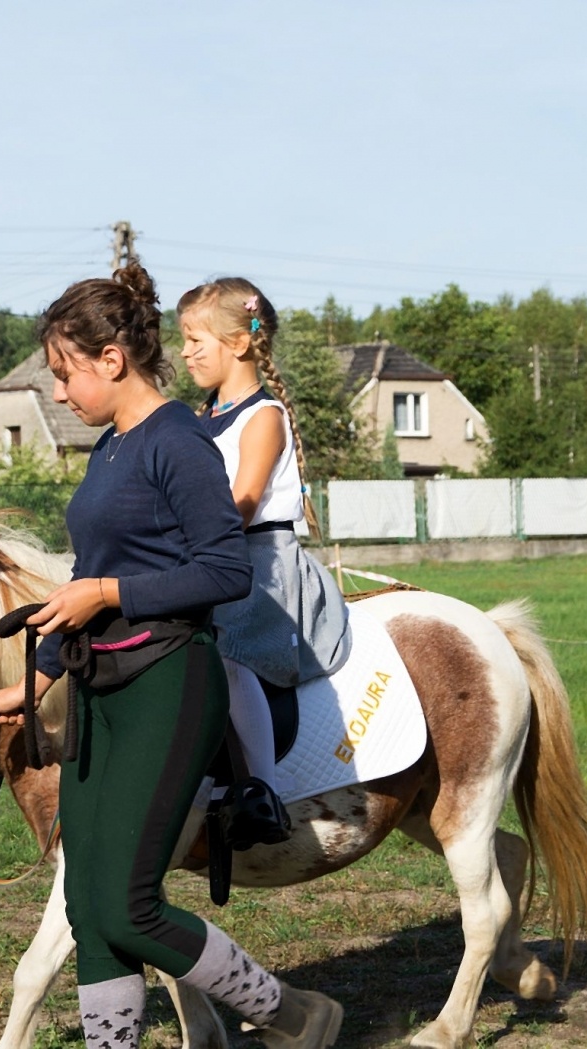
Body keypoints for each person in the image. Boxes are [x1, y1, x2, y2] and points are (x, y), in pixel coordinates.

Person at [0, 261, 343, 1049]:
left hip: (170, 681)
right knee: (89, 907)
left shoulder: (181, 440)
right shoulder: (111, 447)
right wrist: (35, 682)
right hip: (98, 691)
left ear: (113, 358)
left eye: (67, 374)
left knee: (132, 905)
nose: (62, 393)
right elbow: (86, 579)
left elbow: (223, 569)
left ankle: (297, 1013)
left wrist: (108, 593)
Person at [176, 278, 351, 847]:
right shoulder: (197, 418)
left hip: (261, 571)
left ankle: (260, 790)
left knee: (224, 652)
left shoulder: (263, 417)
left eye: (196, 339)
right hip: (209, 559)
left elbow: (243, 504)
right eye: (183, 340)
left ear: (240, 343)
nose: (185, 352)